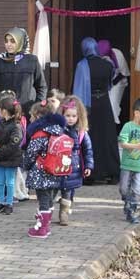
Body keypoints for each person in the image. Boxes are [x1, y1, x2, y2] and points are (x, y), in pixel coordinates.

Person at [73, 37, 119, 183]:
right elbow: (110, 83)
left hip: (89, 106)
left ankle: (90, 175)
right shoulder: (107, 64)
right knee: (107, 137)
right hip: (105, 103)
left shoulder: (82, 65)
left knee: (90, 138)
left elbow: (78, 89)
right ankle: (112, 173)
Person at [23, 100, 69, 238]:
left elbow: (31, 152)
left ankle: (42, 229)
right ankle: (45, 225)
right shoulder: (59, 131)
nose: (30, 119)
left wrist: (26, 165)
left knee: (43, 198)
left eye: (31, 116)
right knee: (49, 198)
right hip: (55, 170)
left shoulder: (40, 134)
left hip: (41, 172)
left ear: (37, 116)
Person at [0, 27, 47, 116]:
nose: (8, 44)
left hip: (26, 113)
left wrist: (37, 108)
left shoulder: (32, 61)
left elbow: (41, 87)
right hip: (3, 113)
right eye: (6, 41)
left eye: (12, 41)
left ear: (20, 41)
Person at [55, 96, 94, 226]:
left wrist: (88, 165)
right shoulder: (57, 130)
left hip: (73, 168)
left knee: (68, 191)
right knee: (52, 190)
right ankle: (45, 212)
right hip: (57, 166)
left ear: (79, 117)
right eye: (67, 116)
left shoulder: (81, 132)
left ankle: (64, 213)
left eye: (73, 116)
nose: (70, 119)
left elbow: (87, 150)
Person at [0, 96, 24, 215]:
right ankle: (0, 201)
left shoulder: (16, 126)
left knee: (9, 182)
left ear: (4, 111)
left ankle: (9, 203)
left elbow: (13, 145)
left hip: (10, 159)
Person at [97, 40, 130, 123]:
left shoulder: (117, 54)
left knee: (112, 103)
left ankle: (113, 125)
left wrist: (112, 83)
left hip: (118, 81)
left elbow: (124, 73)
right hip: (105, 83)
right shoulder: (96, 56)